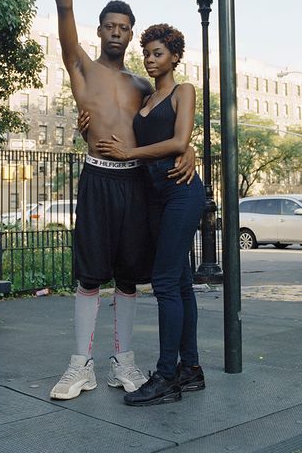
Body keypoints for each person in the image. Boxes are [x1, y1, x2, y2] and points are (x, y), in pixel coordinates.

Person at [47, 0, 195, 401]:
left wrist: (189, 151)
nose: (116, 31)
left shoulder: (142, 85)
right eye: (109, 25)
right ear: (99, 30)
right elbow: (64, 9)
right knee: (89, 277)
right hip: (97, 178)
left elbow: (170, 125)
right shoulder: (82, 68)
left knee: (130, 279)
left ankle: (123, 363)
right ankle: (79, 366)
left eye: (124, 27)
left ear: (132, 33)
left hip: (134, 185)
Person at [96, 23, 205, 406]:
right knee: (180, 283)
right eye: (146, 54)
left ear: (175, 56)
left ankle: (166, 377)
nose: (150, 60)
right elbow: (117, 122)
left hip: (181, 191)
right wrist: (85, 126)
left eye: (158, 53)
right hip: (153, 195)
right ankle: (190, 369)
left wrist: (138, 154)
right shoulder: (144, 97)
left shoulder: (183, 91)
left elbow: (179, 140)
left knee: (164, 282)